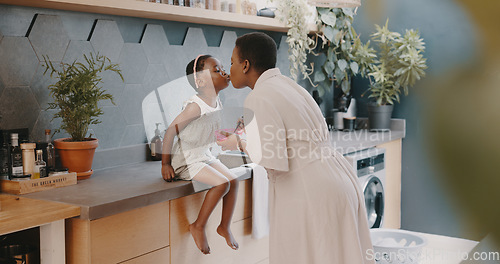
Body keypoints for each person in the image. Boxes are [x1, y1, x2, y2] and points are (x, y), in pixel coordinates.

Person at [217, 32, 375, 264]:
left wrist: (238, 142)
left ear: (246, 65)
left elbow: (272, 158)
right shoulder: (291, 86)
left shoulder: (258, 97)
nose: (229, 69)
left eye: (232, 62)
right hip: (339, 180)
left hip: (312, 192)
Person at [161, 55, 240, 254]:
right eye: (216, 69)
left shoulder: (216, 102)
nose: (224, 72)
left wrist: (234, 132)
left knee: (233, 181)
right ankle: (198, 225)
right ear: (201, 81)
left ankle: (224, 226)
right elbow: (170, 132)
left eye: (222, 68)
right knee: (221, 183)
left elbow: (213, 131)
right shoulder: (195, 106)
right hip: (186, 160)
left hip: (202, 155)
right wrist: (165, 164)